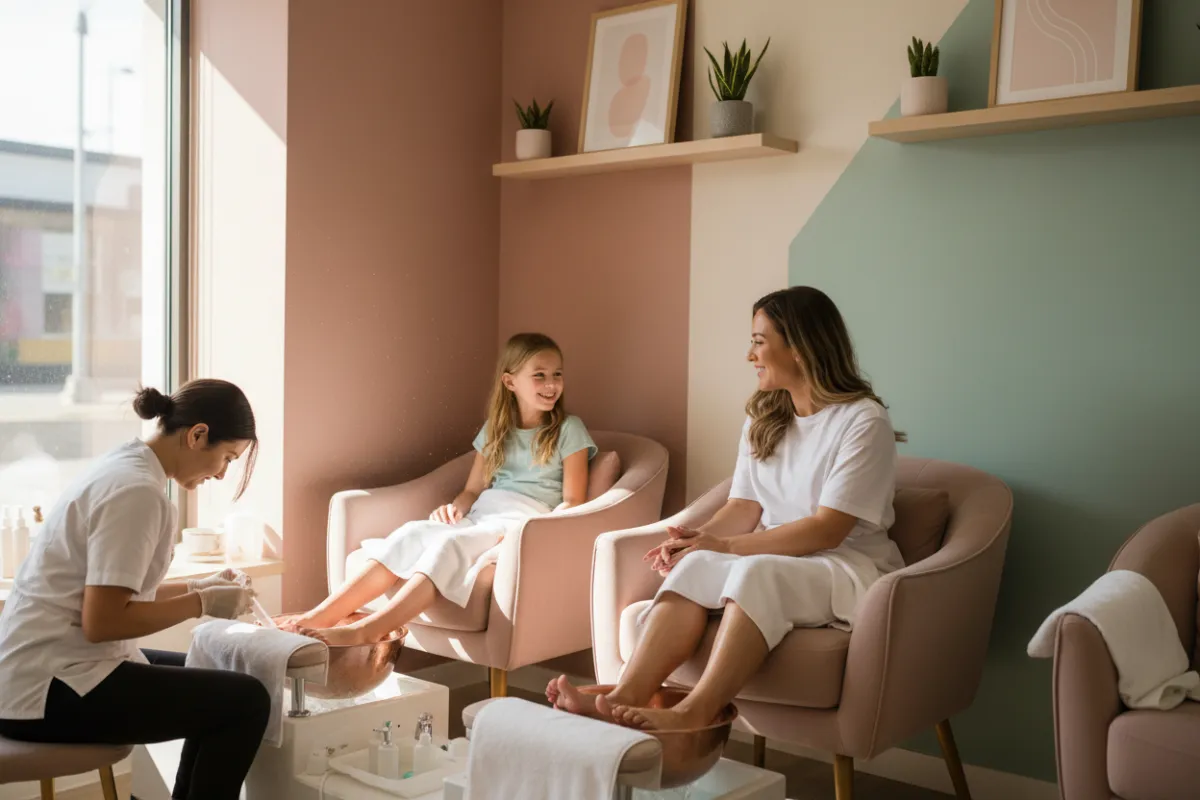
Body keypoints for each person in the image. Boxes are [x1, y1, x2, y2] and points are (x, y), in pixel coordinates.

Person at [549, 286, 907, 730]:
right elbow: (743, 505)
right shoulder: (765, 418)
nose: (750, 355)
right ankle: (621, 697)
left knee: (757, 572)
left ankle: (694, 713)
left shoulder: (862, 421)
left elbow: (826, 531)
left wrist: (728, 545)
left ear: (799, 345)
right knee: (697, 567)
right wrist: (699, 543)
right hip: (776, 555)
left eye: (759, 341)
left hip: (842, 566)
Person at [0, 379, 268, 800]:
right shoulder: (137, 491)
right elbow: (103, 621)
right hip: (46, 689)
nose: (221, 473)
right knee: (245, 701)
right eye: (227, 458)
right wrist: (200, 602)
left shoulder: (127, 466)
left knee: (218, 679)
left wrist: (199, 584)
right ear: (197, 435)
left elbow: (117, 594)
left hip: (42, 668)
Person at [281, 332, 596, 647]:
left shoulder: (569, 430)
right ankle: (316, 618)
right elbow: (472, 491)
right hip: (482, 513)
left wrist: (529, 531)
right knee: (412, 533)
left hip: (523, 519)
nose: (551, 384)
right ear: (510, 382)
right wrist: (456, 507)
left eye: (557, 374)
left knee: (452, 545)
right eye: (539, 376)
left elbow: (573, 501)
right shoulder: (496, 431)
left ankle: (366, 631)